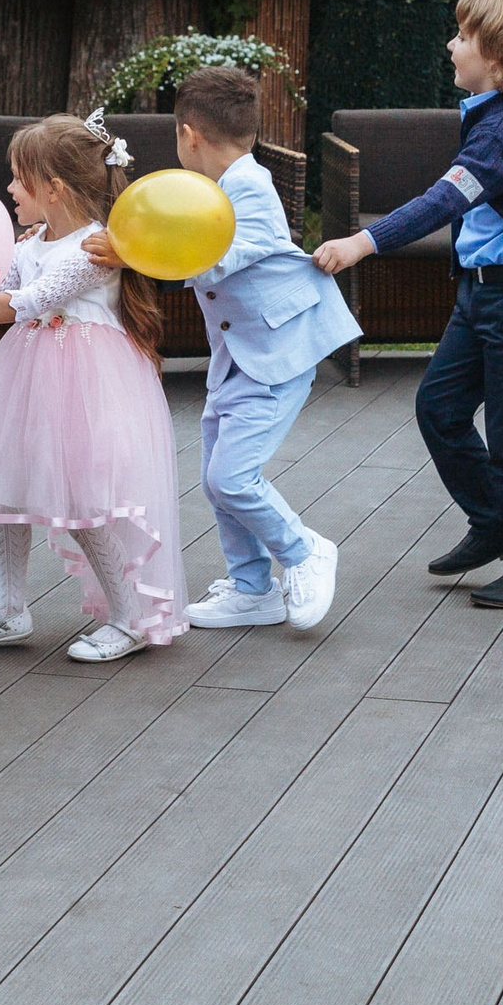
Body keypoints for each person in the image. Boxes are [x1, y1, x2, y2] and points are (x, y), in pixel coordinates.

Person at [314, 0, 503, 609]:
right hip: (486, 297)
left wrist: (363, 243)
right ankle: (495, 520)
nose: (451, 44)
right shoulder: (492, 116)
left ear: (498, 59)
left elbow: (444, 200)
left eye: (463, 37)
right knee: (440, 409)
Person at [0, 113, 188, 661]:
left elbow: (26, 304)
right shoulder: (32, 242)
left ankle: (129, 618)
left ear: (52, 188)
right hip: (29, 380)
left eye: (18, 179)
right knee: (10, 490)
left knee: (83, 502)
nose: (10, 190)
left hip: (86, 388)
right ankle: (9, 607)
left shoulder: (94, 248)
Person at [95, 65, 356, 630]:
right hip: (239, 355)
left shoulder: (250, 191)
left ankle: (304, 551)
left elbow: (206, 255)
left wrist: (128, 251)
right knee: (219, 473)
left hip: (278, 354)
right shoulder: (216, 188)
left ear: (189, 134)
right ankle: (251, 587)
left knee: (232, 478)